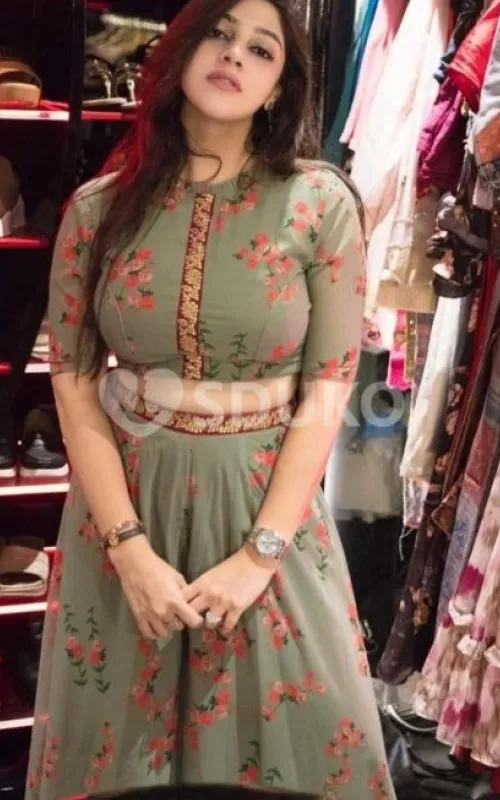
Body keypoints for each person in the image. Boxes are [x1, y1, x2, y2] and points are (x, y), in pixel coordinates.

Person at [26, 0, 396, 798]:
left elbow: (329, 385)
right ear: (181, 51)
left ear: (278, 87)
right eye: (220, 35)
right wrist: (128, 549)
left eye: (262, 50)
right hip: (127, 512)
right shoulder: (97, 209)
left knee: (296, 744)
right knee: (118, 755)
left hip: (266, 511)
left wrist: (260, 555)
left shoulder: (321, 205)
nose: (234, 56)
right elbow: (74, 378)